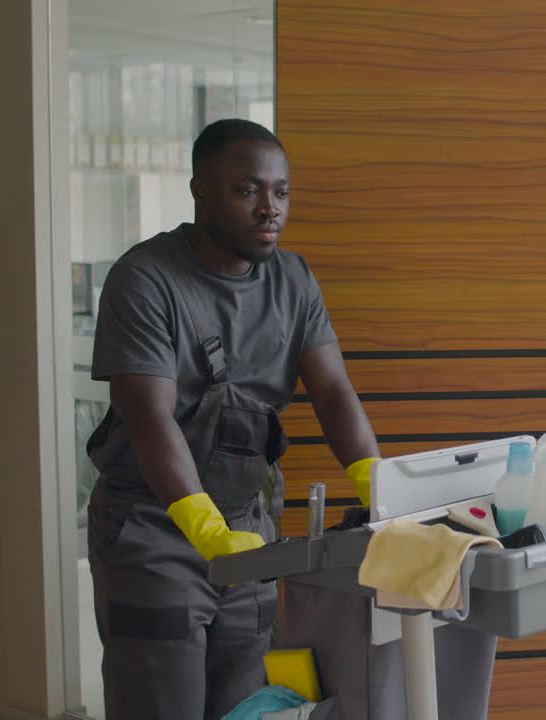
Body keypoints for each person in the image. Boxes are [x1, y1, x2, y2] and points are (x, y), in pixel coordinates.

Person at [85, 118, 381, 720]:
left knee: (244, 704)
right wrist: (201, 525)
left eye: (281, 192)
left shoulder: (293, 279)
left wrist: (376, 482)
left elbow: (331, 390)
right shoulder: (145, 280)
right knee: (162, 702)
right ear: (200, 190)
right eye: (247, 191)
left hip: (248, 527)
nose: (269, 209)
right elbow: (149, 418)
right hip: (153, 528)